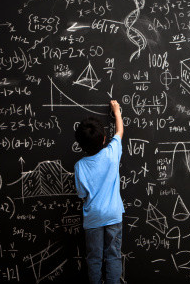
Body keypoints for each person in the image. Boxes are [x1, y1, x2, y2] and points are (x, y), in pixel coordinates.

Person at [74, 100, 124, 284]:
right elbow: (119, 132)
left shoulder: (79, 166)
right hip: (113, 214)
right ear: (104, 139)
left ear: (80, 144)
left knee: (94, 258)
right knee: (113, 255)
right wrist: (117, 112)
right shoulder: (112, 153)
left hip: (93, 217)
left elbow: (82, 195)